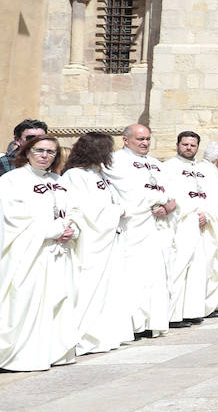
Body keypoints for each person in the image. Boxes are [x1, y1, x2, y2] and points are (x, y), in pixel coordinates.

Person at [0, 135, 78, 370]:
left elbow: (73, 209)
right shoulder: (12, 180)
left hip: (57, 253)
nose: (45, 156)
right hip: (28, 253)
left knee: (56, 300)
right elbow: (14, 218)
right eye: (39, 150)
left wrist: (71, 228)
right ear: (27, 151)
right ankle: (19, 356)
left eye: (51, 152)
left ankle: (52, 352)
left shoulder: (58, 180)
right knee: (24, 300)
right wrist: (54, 230)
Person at [63, 133, 131, 354]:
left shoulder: (100, 174)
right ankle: (84, 336)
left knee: (108, 290)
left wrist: (120, 207)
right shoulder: (76, 175)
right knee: (88, 289)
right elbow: (87, 210)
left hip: (109, 239)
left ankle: (103, 336)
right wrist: (118, 211)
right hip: (91, 243)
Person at [106, 124, 175, 337]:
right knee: (134, 275)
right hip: (134, 228)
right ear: (126, 140)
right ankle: (133, 324)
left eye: (147, 139)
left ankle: (151, 323)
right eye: (140, 139)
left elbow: (170, 191)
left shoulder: (156, 164)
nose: (145, 143)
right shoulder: (116, 161)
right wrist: (157, 201)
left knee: (156, 276)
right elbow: (128, 192)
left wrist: (169, 204)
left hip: (157, 228)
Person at [163, 131, 218, 327]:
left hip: (205, 224)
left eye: (192, 145)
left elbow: (217, 195)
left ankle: (192, 311)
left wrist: (207, 213)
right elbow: (169, 194)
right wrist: (192, 211)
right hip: (182, 223)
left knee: (199, 268)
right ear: (178, 145)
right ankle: (173, 314)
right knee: (178, 267)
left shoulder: (208, 169)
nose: (188, 148)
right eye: (185, 144)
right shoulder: (168, 167)